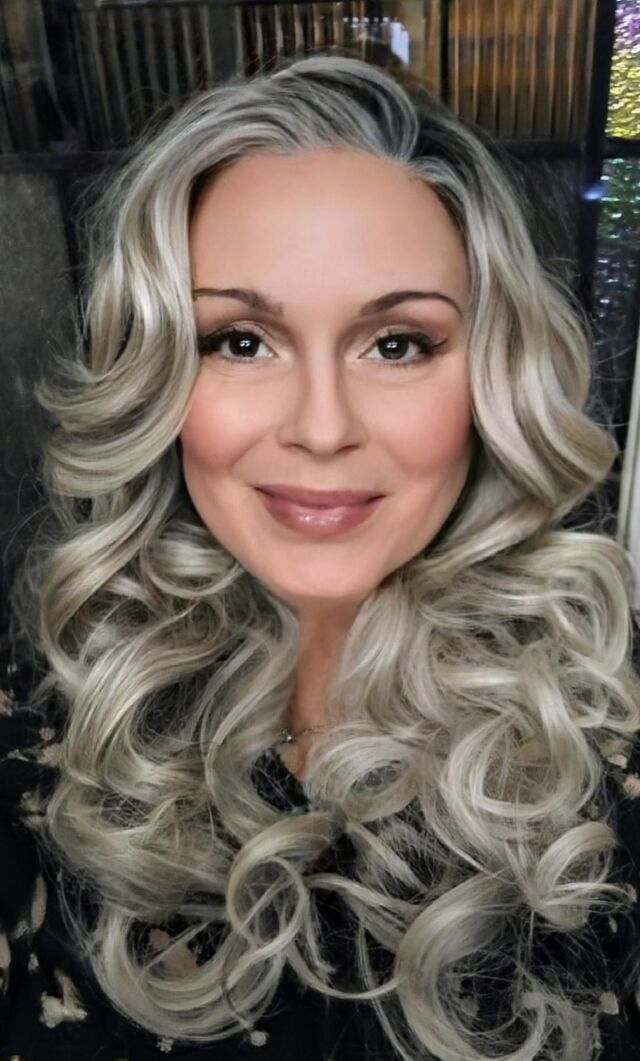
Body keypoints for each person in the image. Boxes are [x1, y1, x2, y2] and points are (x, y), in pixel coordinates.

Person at [2, 51, 640, 1061]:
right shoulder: (53, 724)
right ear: (156, 375)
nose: (322, 427)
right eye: (240, 340)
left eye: (397, 343)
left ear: (493, 379)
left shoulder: (603, 738)